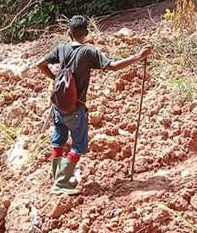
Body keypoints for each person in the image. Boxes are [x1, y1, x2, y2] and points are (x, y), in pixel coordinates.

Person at [35, 15, 153, 195]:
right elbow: (112, 66)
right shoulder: (89, 52)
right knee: (78, 145)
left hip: (58, 105)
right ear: (87, 33)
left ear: (69, 33)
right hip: (76, 107)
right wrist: (138, 56)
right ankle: (61, 182)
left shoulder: (61, 49)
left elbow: (40, 65)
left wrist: (55, 80)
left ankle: (58, 177)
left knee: (59, 140)